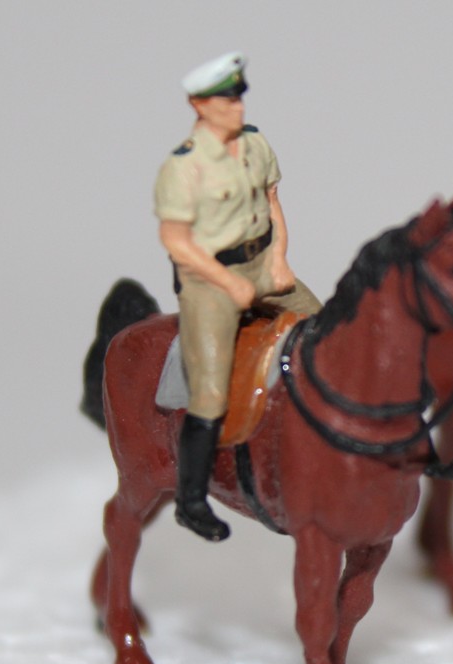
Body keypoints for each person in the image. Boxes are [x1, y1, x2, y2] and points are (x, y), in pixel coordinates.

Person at [154, 52, 322, 542]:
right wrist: (227, 284)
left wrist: (279, 259)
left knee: (324, 329)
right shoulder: (184, 166)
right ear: (199, 105)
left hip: (261, 264)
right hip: (209, 280)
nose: (236, 107)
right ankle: (191, 500)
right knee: (209, 391)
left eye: (238, 98)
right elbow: (176, 240)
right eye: (225, 101)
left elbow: (272, 203)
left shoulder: (254, 144)